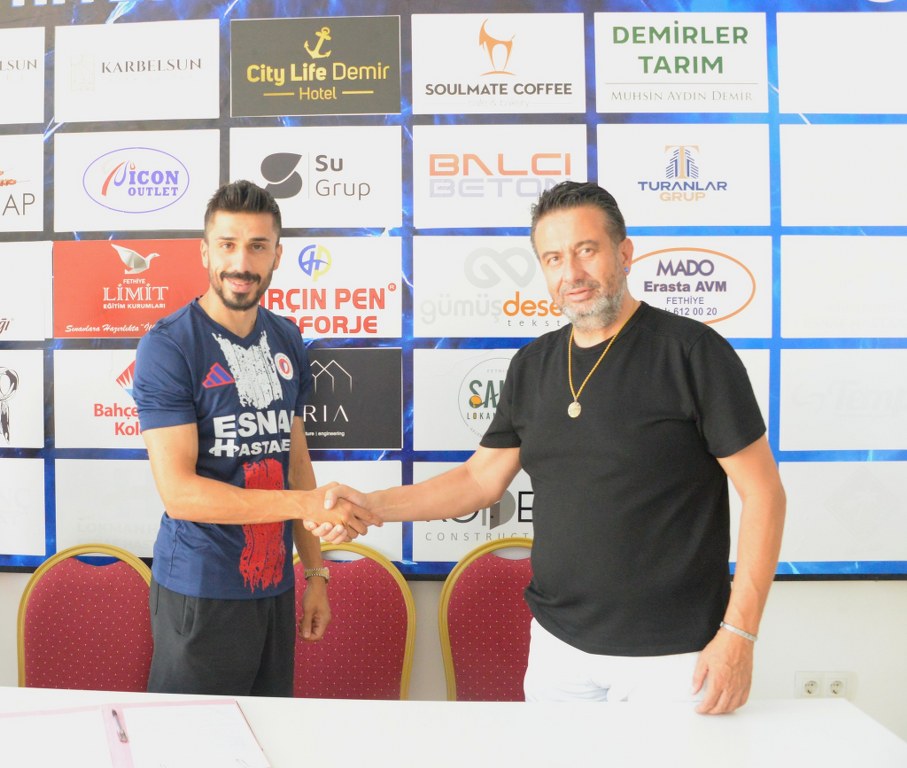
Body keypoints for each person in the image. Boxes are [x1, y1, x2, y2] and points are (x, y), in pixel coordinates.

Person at [322, 180, 786, 714]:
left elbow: (764, 494)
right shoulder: (532, 365)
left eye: (587, 250)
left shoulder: (692, 353)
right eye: (554, 258)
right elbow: (478, 480)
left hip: (675, 657)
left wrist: (740, 634)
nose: (572, 273)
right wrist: (371, 505)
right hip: (558, 647)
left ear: (624, 253)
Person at [134, 179, 379, 696]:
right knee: (193, 736)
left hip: (274, 587)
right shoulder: (169, 345)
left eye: (257, 246)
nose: (241, 263)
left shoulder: (287, 336)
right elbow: (180, 494)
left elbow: (296, 460)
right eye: (227, 245)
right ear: (205, 252)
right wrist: (305, 503)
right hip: (200, 591)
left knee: (266, 731)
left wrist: (315, 573)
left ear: (277, 256)